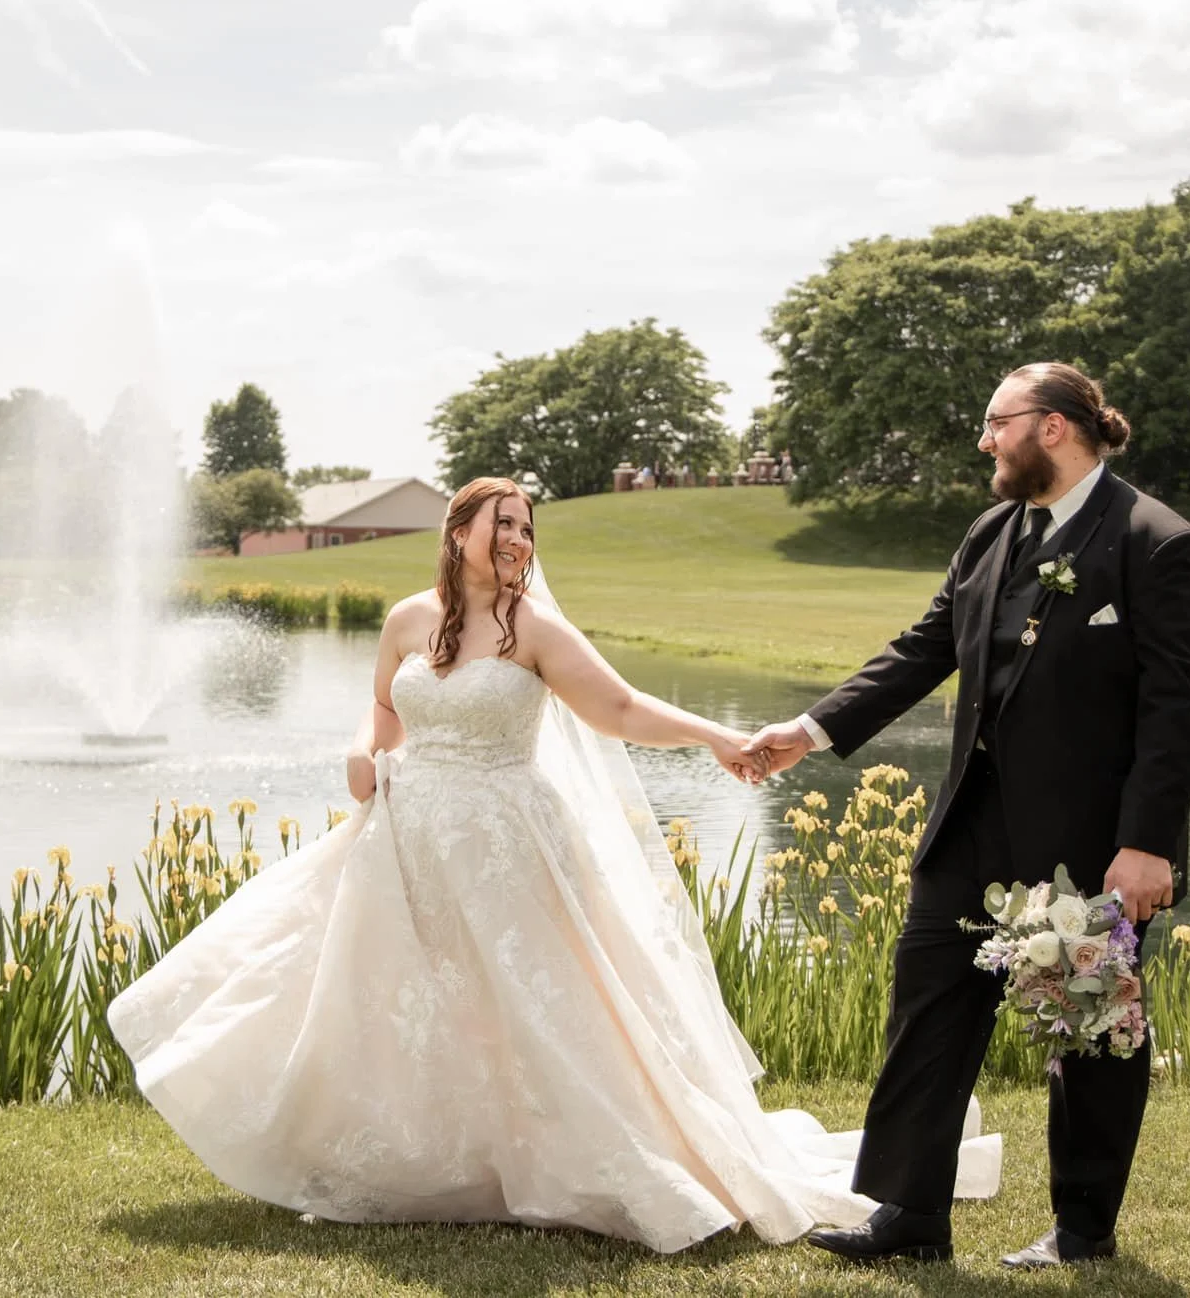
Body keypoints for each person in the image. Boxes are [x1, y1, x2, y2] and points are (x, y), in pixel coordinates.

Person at [106, 476, 1001, 1252]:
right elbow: (382, 707)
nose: (519, 540)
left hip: (506, 842)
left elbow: (616, 706)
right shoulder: (407, 619)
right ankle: (418, 1161)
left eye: (528, 527)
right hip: (407, 836)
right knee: (398, 996)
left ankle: (577, 1158)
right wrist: (359, 748)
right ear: (458, 533)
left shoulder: (532, 627)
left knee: (530, 1000)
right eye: (504, 523)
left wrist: (717, 735)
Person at [745, 362, 1190, 1270]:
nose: (983, 441)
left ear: (1052, 428)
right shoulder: (993, 530)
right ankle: (910, 1214)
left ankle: (1084, 1231)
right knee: (928, 1008)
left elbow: (1181, 708)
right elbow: (927, 646)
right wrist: (811, 728)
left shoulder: (1154, 541)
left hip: (1090, 847)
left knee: (1090, 1033)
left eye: (995, 423)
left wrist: (1146, 845)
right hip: (971, 826)